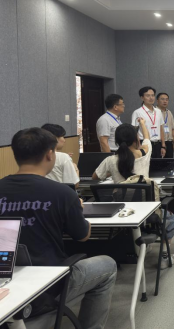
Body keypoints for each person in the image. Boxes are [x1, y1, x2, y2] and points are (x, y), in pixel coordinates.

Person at [0, 128, 116, 329]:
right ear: (49, 154)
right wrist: (77, 210)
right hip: (49, 284)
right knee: (108, 265)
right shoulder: (62, 193)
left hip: (6, 280)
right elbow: (83, 236)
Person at [93, 120, 174, 268]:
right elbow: (147, 139)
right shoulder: (144, 154)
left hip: (120, 213)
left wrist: (112, 172)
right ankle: (165, 256)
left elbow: (95, 177)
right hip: (147, 214)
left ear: (117, 141)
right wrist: (143, 124)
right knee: (170, 219)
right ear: (135, 140)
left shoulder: (110, 160)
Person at [131, 87, 166, 158]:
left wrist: (163, 146)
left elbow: (161, 129)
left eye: (152, 95)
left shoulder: (158, 111)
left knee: (157, 164)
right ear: (142, 98)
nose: (151, 98)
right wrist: (138, 145)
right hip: (144, 144)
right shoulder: (137, 112)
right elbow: (134, 131)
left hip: (157, 144)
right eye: (148, 95)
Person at [41, 123, 80, 188]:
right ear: (55, 138)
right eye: (63, 137)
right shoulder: (64, 157)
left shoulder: (35, 156)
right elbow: (74, 185)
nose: (64, 140)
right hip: (59, 193)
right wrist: (76, 169)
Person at [156, 92, 174, 159]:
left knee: (169, 162)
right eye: (162, 99)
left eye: (166, 99)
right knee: (159, 163)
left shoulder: (169, 112)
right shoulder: (154, 112)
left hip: (169, 142)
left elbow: (173, 129)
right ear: (157, 101)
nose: (165, 101)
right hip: (158, 143)